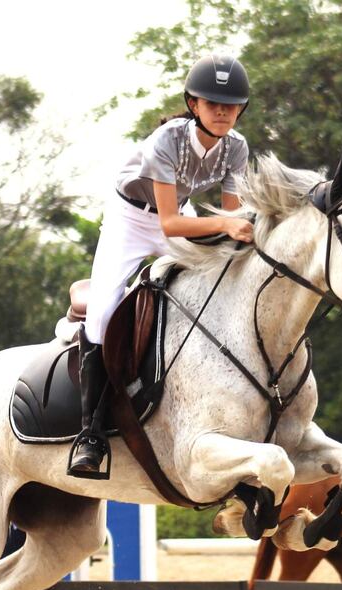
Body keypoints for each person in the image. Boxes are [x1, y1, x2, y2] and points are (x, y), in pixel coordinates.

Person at [67, 53, 254, 479]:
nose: (223, 112)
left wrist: (242, 233)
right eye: (212, 104)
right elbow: (170, 224)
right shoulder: (166, 140)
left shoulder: (237, 149)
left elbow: (232, 219)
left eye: (231, 105)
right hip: (130, 220)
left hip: (182, 215)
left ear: (241, 109)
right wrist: (229, 224)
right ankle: (90, 434)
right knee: (103, 313)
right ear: (194, 105)